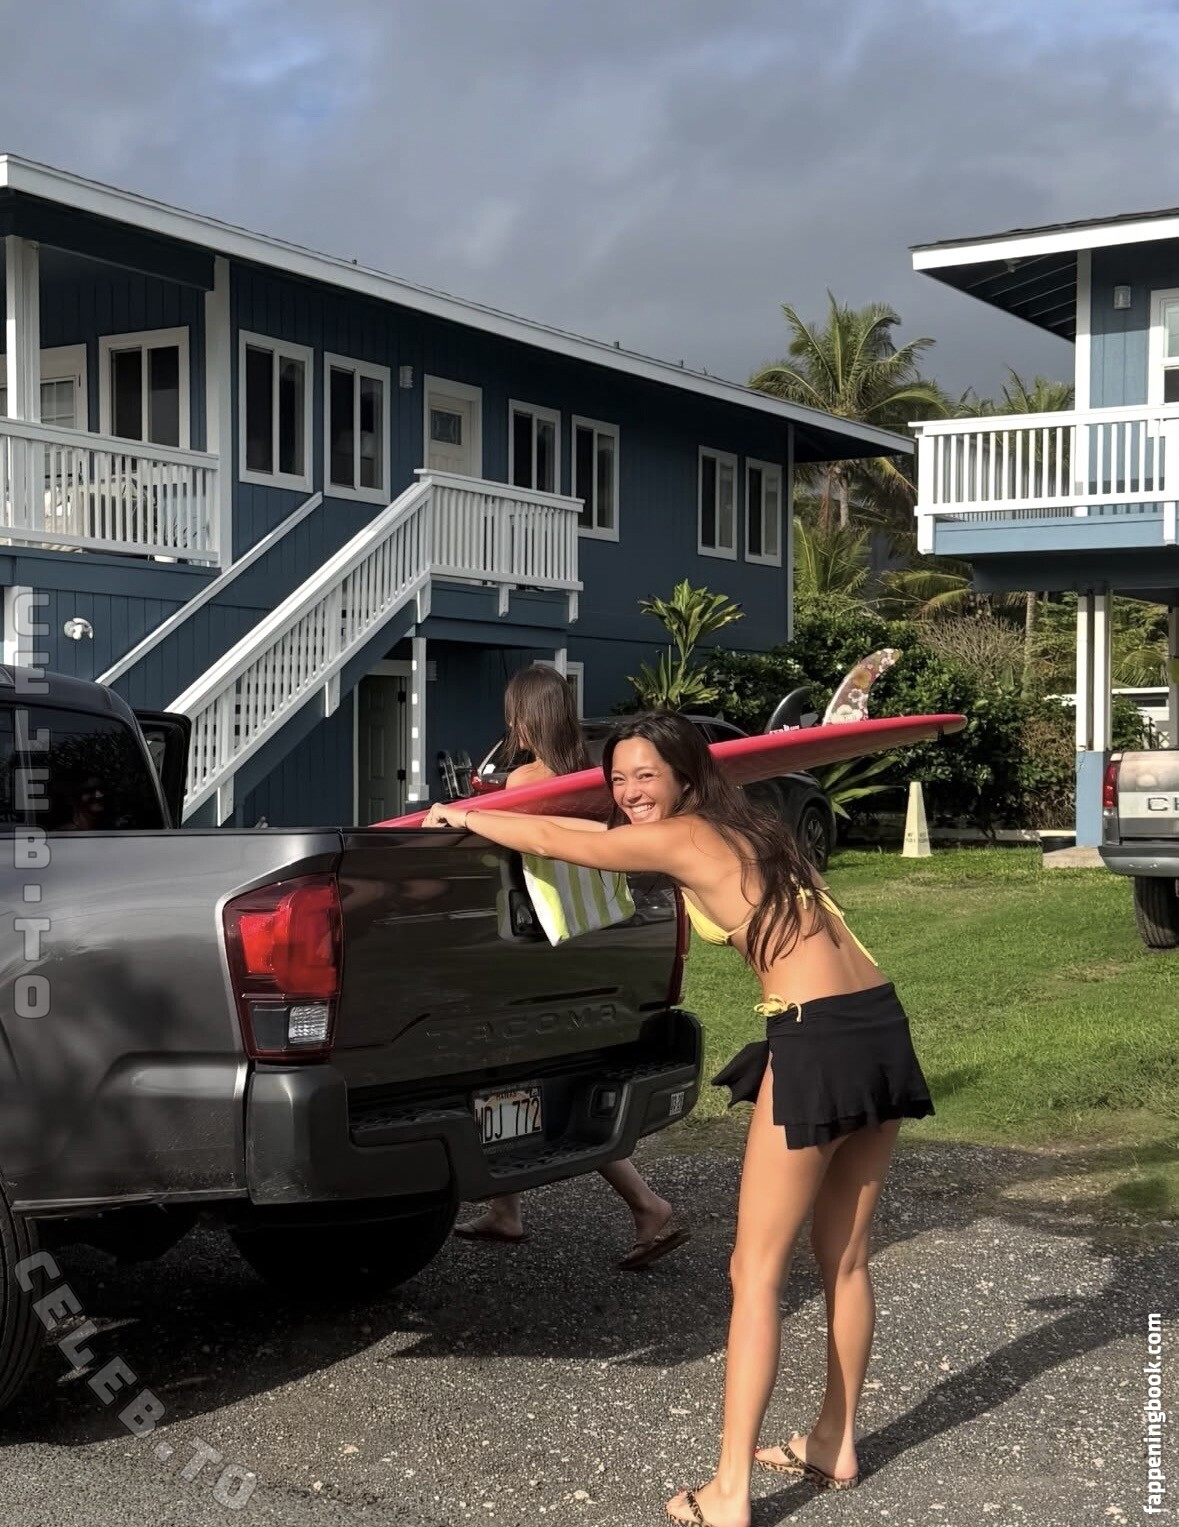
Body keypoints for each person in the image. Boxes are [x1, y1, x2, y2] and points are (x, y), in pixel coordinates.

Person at [423, 710, 933, 1527]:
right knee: (842, 1258)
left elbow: (559, 841)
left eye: (645, 777)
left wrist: (466, 815)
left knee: (753, 1272)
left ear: (686, 777)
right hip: (876, 1021)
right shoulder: (753, 827)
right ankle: (832, 1440)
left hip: (816, 1035)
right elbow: (596, 838)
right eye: (618, 778)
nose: (628, 792)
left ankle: (728, 1490)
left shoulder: (683, 836)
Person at [443, 666, 689, 1273]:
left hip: (532, 936)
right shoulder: (593, 778)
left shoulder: (525, 779)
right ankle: (506, 1210)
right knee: (540, 1073)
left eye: (514, 714)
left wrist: (459, 812)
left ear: (523, 717)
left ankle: (647, 1204)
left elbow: (495, 849)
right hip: (588, 935)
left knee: (514, 1072)